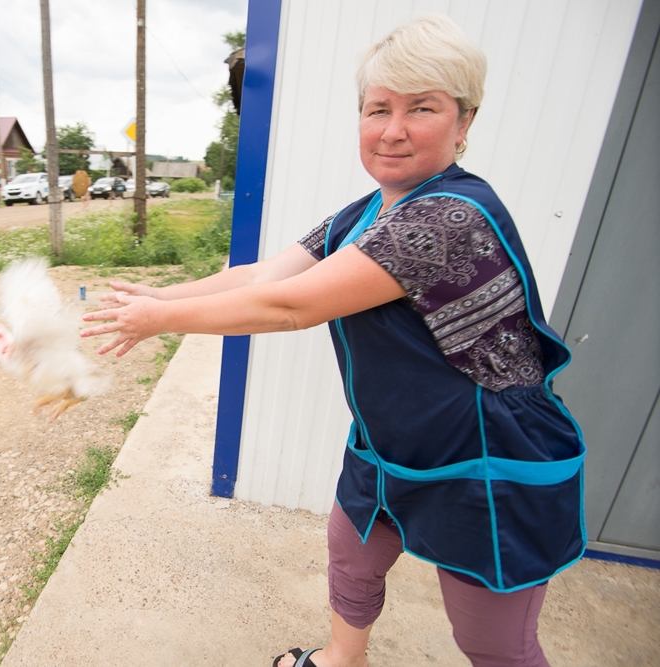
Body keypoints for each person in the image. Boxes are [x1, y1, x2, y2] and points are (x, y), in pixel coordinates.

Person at [81, 14, 585, 667]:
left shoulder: (446, 215)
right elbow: (261, 274)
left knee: (492, 644)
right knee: (352, 557)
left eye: (422, 108)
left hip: (484, 457)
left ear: (464, 123)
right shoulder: (368, 211)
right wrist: (159, 298)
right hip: (391, 444)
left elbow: (291, 305)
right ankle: (343, 658)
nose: (393, 129)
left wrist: (159, 322)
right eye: (378, 109)